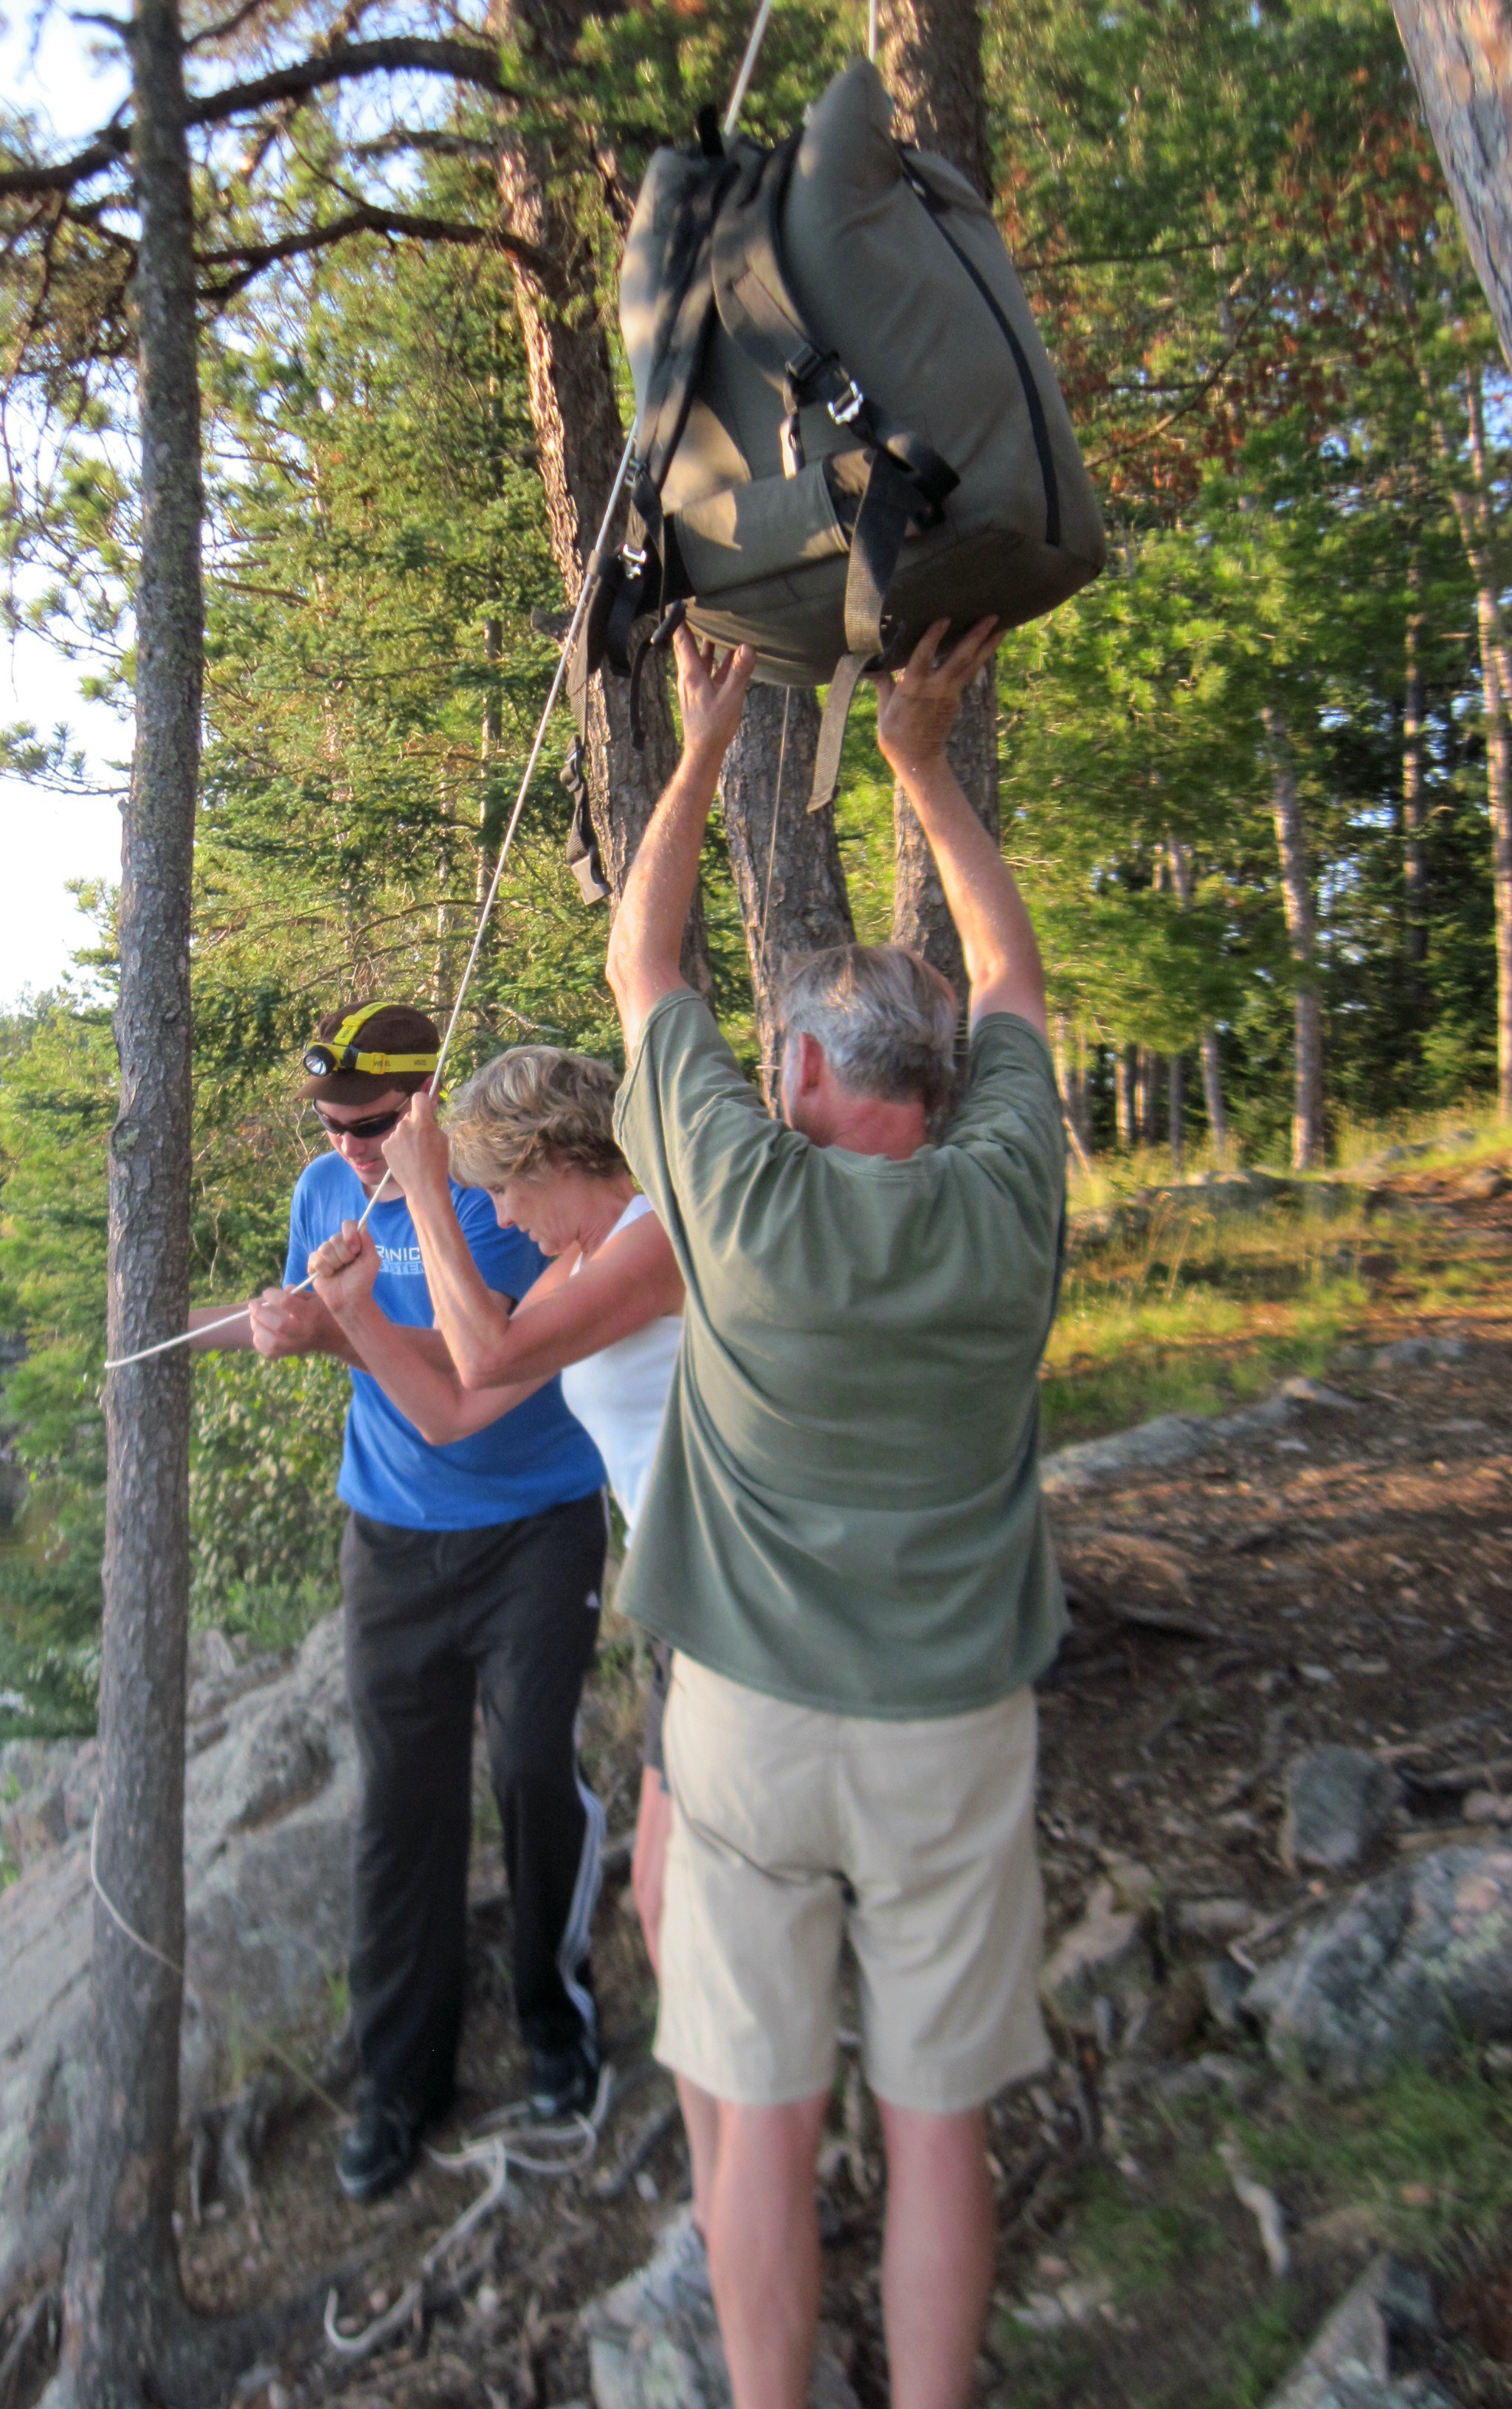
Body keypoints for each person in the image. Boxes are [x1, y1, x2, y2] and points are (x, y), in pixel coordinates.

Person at [602, 618, 1068, 2409]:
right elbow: (1011, 970)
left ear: (800, 1077)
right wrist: (922, 766)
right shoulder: (1006, 1196)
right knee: (939, 2128)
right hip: (953, 1729)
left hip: (751, 1736)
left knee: (764, 2126)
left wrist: (703, 744)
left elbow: (646, 960)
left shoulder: (741, 1199)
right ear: (941, 1091)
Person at [188, 1001, 612, 2202]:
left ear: (424, 1099)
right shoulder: (325, 1189)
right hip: (389, 1535)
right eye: (331, 1125)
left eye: (373, 1124)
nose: (350, 1148)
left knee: (531, 1770)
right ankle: (400, 2081)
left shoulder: (504, 1193)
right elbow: (309, 1315)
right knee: (400, 1810)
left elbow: (481, 1364)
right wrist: (262, 1323)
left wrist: (341, 1327)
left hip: (534, 1525)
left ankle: (556, 2024)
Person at [304, 1049, 723, 2253]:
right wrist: (352, 1316)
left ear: (550, 1156)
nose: (497, 1212)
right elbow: (454, 1402)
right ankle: (712, 2155)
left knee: (629, 1842)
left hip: (724, 1596)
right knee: (663, 1891)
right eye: (477, 1192)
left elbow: (483, 1353)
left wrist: (433, 1193)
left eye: (501, 1187)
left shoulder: (656, 1235)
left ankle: (714, 2138)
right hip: (682, 1604)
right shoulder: (580, 1263)